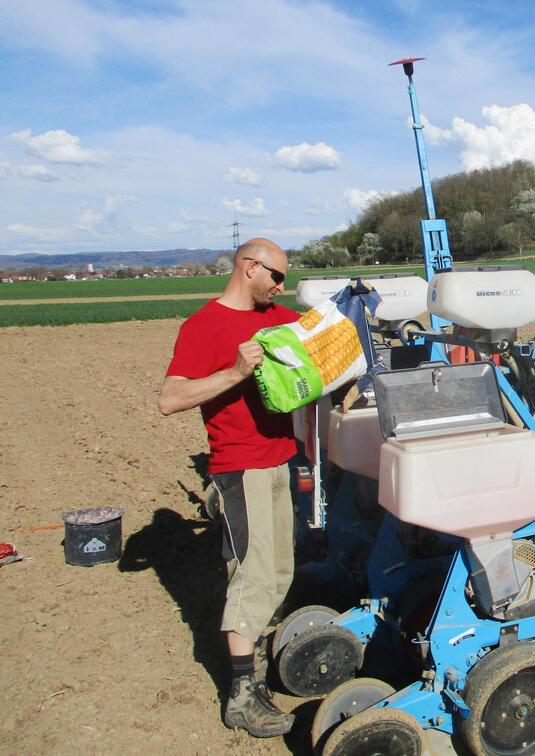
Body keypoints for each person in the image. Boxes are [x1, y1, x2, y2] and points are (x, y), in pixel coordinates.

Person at [158, 238, 300, 738]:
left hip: (280, 460)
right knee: (252, 576)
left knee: (278, 573)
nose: (281, 287)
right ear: (250, 267)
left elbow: (319, 336)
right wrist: (236, 372)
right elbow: (170, 398)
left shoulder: (276, 317)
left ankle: (256, 672)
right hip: (240, 467)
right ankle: (240, 696)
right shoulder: (204, 326)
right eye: (277, 277)